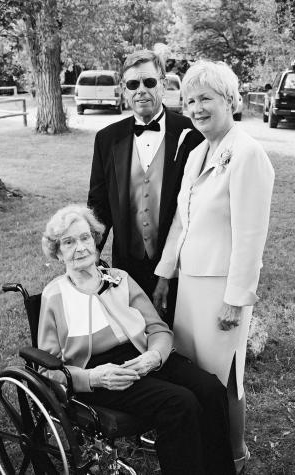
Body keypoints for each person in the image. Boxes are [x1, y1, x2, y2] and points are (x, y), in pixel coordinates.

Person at [38, 204, 235, 475]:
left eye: (85, 238)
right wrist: (94, 377)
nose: (80, 247)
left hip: (144, 354)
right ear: (58, 253)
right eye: (69, 242)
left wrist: (154, 356)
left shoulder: (120, 279)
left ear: (95, 241)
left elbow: (158, 329)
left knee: (210, 388)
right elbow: (48, 369)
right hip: (103, 373)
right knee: (179, 403)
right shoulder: (55, 296)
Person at [153, 60, 275, 474]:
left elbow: (250, 236)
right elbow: (182, 221)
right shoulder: (197, 151)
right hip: (191, 286)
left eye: (206, 98)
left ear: (230, 100)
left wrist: (235, 301)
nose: (196, 108)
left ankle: (235, 454)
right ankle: (206, 447)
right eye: (189, 101)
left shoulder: (247, 154)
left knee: (226, 378)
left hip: (222, 290)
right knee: (198, 377)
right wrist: (166, 274)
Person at [87, 50, 203, 327]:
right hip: (127, 262)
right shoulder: (106, 139)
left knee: (180, 334)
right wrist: (89, 254)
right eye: (132, 84)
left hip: (178, 263)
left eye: (149, 82)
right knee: (133, 332)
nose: (141, 91)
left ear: (162, 82)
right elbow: (99, 205)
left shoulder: (192, 133)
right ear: (123, 90)